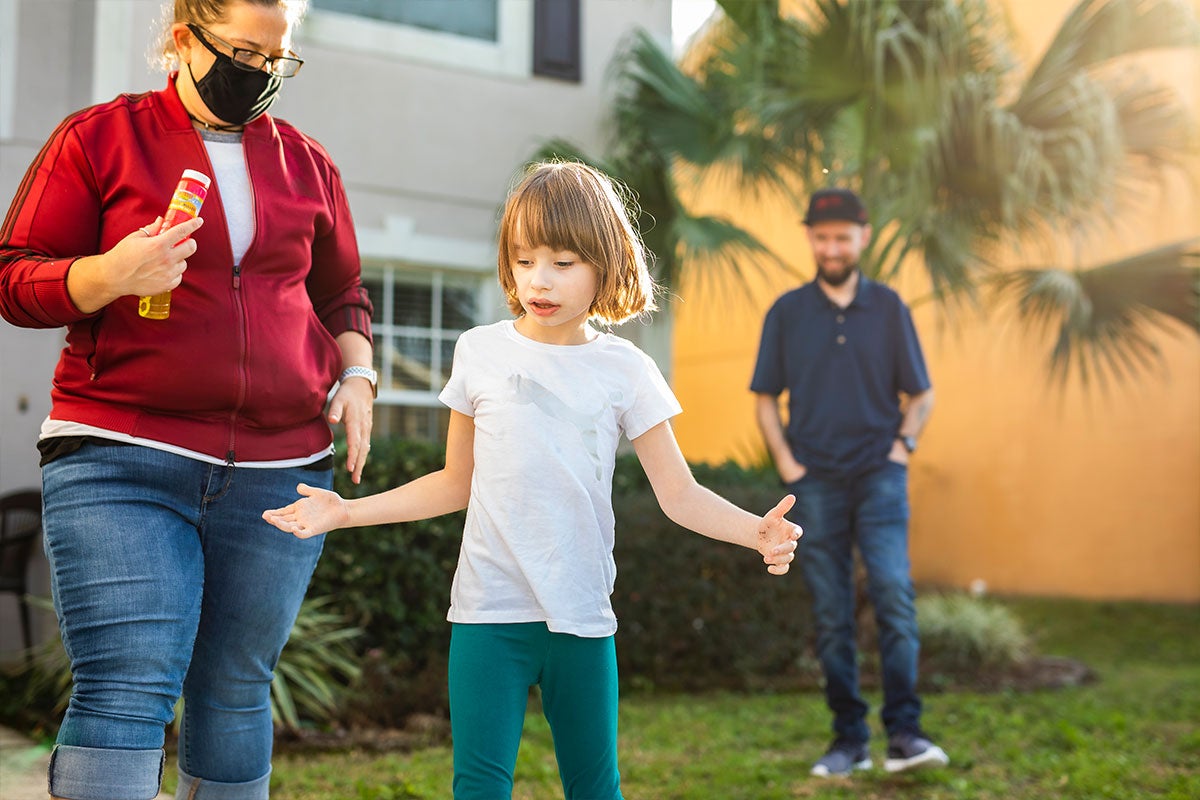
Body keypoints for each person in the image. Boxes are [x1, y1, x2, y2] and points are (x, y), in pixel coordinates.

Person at [263, 160, 803, 800]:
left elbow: (679, 493)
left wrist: (755, 532)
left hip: (581, 618)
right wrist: (344, 512)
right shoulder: (480, 351)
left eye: (564, 263)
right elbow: (452, 483)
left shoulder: (625, 369)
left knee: (595, 789)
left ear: (604, 263)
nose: (539, 281)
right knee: (479, 788)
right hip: (488, 615)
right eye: (524, 261)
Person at [0, 1, 375, 797]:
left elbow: (342, 292)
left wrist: (359, 374)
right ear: (183, 41)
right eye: (244, 52)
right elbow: (15, 276)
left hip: (282, 471)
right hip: (123, 458)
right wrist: (106, 274)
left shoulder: (309, 164)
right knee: (127, 688)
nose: (262, 74)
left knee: (237, 692)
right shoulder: (99, 139)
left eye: (278, 60)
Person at [750, 188, 947, 777]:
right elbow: (764, 398)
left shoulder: (889, 308)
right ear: (811, 239)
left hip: (878, 476)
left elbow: (923, 393)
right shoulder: (787, 312)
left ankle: (906, 736)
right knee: (833, 612)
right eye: (821, 236)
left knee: (892, 593)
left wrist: (901, 447)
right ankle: (849, 742)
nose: (831, 247)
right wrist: (788, 463)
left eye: (842, 236)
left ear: (862, 237)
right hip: (816, 481)